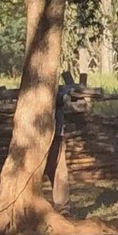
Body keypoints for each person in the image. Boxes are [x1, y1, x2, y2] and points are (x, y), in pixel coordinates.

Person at [45, 76, 75, 216]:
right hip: (37, 136)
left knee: (58, 169)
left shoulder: (60, 91)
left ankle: (63, 206)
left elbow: (65, 96)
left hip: (56, 134)